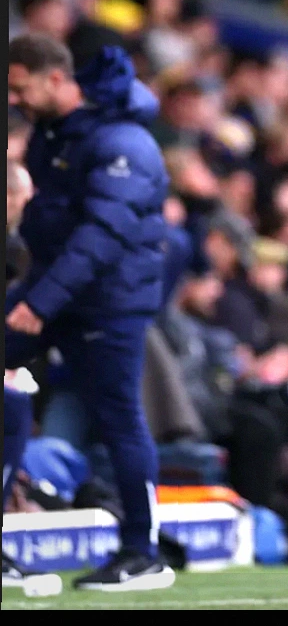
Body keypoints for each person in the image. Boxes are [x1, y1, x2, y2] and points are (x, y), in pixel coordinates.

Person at [5, 35, 173, 591]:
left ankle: (142, 552)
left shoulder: (124, 141)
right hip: (54, 291)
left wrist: (38, 304)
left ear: (56, 78)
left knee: (118, 419)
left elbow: (100, 238)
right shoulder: (54, 135)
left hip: (108, 302)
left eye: (20, 87)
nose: (15, 100)